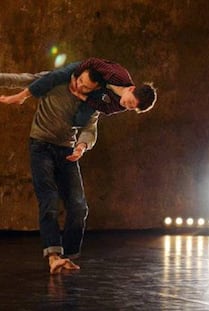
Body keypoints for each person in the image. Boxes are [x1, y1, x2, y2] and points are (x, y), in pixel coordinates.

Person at [0, 61, 157, 274]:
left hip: (67, 151)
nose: (79, 87)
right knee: (49, 199)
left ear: (94, 89)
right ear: (77, 73)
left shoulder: (92, 103)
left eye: (86, 87)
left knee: (79, 206)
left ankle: (69, 256)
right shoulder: (55, 80)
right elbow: (21, 79)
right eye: (79, 81)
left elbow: (89, 128)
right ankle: (53, 257)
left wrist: (82, 146)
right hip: (41, 146)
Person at [0, 57, 157, 125]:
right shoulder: (117, 75)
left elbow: (104, 108)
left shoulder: (120, 106)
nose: (126, 105)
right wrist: (76, 76)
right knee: (54, 76)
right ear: (131, 88)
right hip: (86, 71)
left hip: (95, 94)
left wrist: (82, 96)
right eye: (129, 101)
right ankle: (21, 96)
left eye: (130, 107)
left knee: (81, 120)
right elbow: (92, 62)